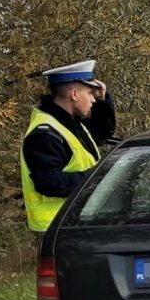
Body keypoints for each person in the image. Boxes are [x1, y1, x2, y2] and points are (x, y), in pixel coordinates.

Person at [20, 60, 115, 232]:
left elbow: (102, 132)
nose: (93, 99)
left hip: (73, 224)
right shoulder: (45, 134)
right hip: (55, 230)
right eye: (90, 93)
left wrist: (103, 101)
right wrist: (96, 178)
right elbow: (50, 183)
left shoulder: (70, 123)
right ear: (74, 94)